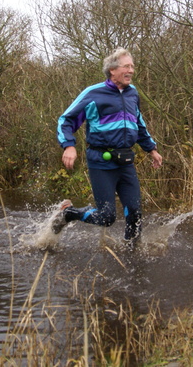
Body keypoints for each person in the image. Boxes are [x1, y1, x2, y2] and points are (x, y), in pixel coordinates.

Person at [53, 48, 163, 248]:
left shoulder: (132, 93)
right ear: (112, 70)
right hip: (101, 162)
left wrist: (151, 149)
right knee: (106, 217)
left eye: (132, 66)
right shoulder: (94, 93)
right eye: (126, 66)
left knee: (135, 215)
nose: (131, 70)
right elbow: (66, 120)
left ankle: (132, 258)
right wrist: (69, 146)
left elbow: (138, 124)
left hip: (126, 161)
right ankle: (68, 213)